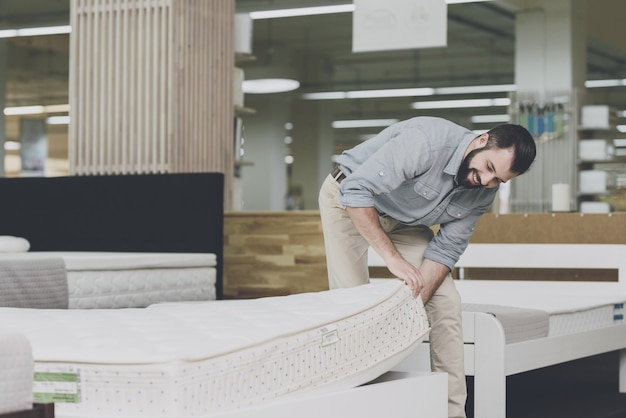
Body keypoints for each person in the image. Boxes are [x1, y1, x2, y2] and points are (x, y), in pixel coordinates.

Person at [318, 116, 536, 418]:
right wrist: (393, 259)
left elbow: (446, 250)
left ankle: (452, 412)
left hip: (405, 220)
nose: (485, 182)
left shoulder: (485, 190)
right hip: (348, 199)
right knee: (352, 305)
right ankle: (356, 407)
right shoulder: (427, 142)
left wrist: (411, 304)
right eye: (488, 168)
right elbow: (357, 192)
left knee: (446, 302)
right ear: (482, 140)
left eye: (498, 179)